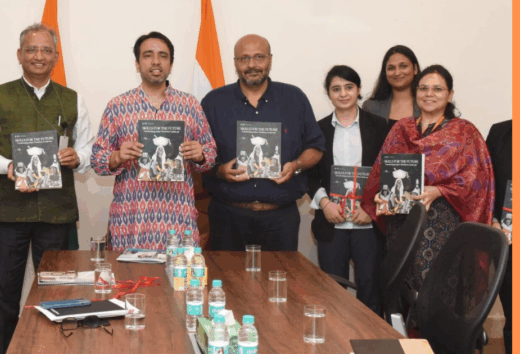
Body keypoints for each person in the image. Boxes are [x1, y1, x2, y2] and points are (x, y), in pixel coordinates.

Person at [0, 23, 94, 354]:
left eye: (45, 50)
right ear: (19, 55)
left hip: (57, 215)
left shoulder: (72, 99)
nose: (38, 56)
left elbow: (88, 150)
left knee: (59, 296)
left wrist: (78, 157)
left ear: (56, 55)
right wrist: (8, 165)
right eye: (31, 49)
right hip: (11, 214)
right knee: (6, 296)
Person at [361, 65, 494, 303]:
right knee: (400, 289)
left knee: (435, 291)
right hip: (400, 224)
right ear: (415, 92)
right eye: (423, 88)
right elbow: (381, 172)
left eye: (437, 89)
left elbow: (477, 181)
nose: (429, 94)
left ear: (450, 94)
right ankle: (403, 339)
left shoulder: (464, 132)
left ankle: (436, 340)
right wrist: (380, 196)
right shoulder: (401, 129)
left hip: (442, 226)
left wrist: (439, 190)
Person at [91, 31, 217, 250]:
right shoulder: (118, 106)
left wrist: (201, 154)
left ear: (171, 64)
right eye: (148, 55)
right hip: (131, 220)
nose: (156, 61)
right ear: (137, 64)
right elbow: (97, 160)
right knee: (130, 281)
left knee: (178, 282)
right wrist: (117, 156)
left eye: (163, 56)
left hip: (178, 218)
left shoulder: (190, 105)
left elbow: (211, 153)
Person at [201, 34, 324, 251]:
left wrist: (296, 166)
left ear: (270, 59)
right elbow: (198, 154)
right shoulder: (213, 102)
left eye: (259, 57)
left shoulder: (294, 99)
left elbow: (316, 146)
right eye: (244, 58)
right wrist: (219, 171)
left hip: (280, 219)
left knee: (277, 283)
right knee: (228, 284)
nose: (252, 65)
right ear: (235, 63)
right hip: (228, 217)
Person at [306, 65, 391, 315]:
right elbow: (310, 174)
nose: (343, 94)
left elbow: (387, 172)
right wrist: (324, 204)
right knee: (332, 291)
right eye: (336, 89)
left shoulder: (380, 126)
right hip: (332, 223)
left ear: (359, 90)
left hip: (368, 224)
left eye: (349, 87)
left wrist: (372, 208)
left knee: (370, 290)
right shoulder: (317, 130)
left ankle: (370, 347)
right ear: (329, 94)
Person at [486, 119, 511, 354]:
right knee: (513, 316)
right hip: (508, 236)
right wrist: (492, 219)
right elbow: (487, 179)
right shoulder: (500, 131)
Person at [362, 45, 422, 121]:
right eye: (391, 68)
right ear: (385, 73)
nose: (397, 73)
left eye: (403, 66)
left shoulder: (428, 105)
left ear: (415, 69)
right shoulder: (370, 108)